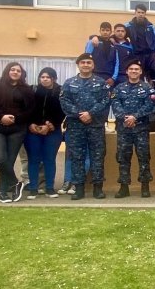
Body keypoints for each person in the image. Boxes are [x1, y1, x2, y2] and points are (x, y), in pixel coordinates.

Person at [60, 53, 111, 200]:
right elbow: (64, 102)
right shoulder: (69, 83)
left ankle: (98, 188)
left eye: (89, 62)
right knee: (77, 157)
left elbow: (105, 101)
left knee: (97, 156)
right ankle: (79, 188)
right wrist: (79, 114)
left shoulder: (101, 83)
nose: (86, 65)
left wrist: (90, 114)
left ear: (93, 65)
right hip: (76, 126)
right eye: (83, 62)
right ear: (78, 65)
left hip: (95, 125)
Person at [0, 62, 34, 204]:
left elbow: (30, 110)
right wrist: (1, 116)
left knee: (9, 161)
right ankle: (16, 183)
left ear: (22, 74)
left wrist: (15, 118)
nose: (15, 72)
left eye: (18, 70)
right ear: (7, 71)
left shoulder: (26, 90)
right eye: (12, 69)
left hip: (17, 129)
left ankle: (3, 193)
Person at [112, 60, 155, 198]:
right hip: (124, 129)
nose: (134, 71)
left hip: (141, 129)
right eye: (131, 69)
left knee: (143, 157)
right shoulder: (119, 88)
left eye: (137, 69)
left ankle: (145, 186)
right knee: (123, 158)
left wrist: (135, 117)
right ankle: (124, 187)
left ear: (140, 71)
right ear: (127, 71)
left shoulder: (148, 88)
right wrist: (126, 117)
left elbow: (150, 106)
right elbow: (115, 105)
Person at [24, 68, 63, 199]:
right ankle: (33, 188)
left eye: (48, 77)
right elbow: (26, 109)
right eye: (42, 77)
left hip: (53, 131)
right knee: (34, 159)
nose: (45, 79)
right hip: (33, 131)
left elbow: (63, 111)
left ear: (54, 79)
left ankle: (50, 188)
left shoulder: (60, 92)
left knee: (49, 160)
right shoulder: (32, 91)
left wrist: (51, 124)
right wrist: (30, 123)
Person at [124, 4, 155, 86]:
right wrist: (111, 38)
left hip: (151, 54)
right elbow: (119, 33)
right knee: (139, 74)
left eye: (142, 12)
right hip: (137, 55)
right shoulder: (128, 26)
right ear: (135, 13)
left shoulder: (151, 26)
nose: (141, 14)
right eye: (139, 12)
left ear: (145, 14)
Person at [85, 22, 117, 86]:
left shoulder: (114, 45)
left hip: (108, 77)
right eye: (103, 30)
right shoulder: (92, 42)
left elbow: (116, 63)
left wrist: (113, 78)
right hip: (94, 75)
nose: (105, 32)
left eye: (107, 30)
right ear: (100, 31)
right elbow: (87, 59)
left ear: (111, 32)